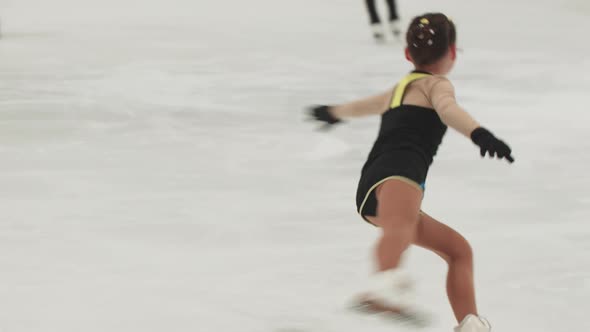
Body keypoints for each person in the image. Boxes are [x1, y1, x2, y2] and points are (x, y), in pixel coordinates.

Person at [307, 13, 513, 332]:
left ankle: (470, 324)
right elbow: (449, 110)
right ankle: (384, 285)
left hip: (376, 183)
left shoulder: (402, 88)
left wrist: (333, 113)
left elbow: (365, 105)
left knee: (458, 250)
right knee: (400, 226)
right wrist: (479, 134)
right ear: (453, 53)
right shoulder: (437, 84)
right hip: (400, 172)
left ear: (407, 54)